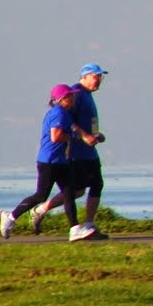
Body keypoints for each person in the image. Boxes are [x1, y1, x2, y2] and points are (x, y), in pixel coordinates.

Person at [0, 85, 80, 239]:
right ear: (62, 99)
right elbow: (55, 137)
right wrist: (73, 137)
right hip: (49, 162)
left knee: (69, 193)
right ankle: (10, 217)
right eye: (70, 96)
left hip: (60, 161)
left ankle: (75, 228)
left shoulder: (63, 113)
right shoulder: (59, 114)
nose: (73, 98)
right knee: (41, 196)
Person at [45, 63, 109, 240]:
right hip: (76, 152)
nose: (99, 81)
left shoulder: (87, 95)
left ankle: (89, 224)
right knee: (76, 190)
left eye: (100, 77)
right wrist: (84, 136)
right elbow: (67, 121)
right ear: (85, 76)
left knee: (97, 184)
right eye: (96, 77)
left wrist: (96, 135)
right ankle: (41, 210)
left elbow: (86, 122)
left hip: (90, 151)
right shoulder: (75, 93)